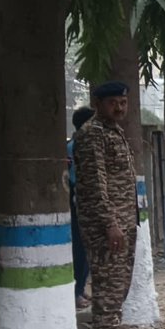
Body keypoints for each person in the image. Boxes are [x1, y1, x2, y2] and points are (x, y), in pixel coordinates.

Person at [74, 82, 142, 329]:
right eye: (113, 102)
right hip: (106, 226)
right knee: (107, 286)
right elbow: (95, 185)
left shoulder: (112, 130)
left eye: (123, 103)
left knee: (119, 285)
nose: (119, 108)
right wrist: (111, 224)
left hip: (123, 221)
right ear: (97, 103)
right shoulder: (92, 135)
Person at [67, 106, 96, 305]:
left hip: (83, 199)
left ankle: (81, 288)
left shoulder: (76, 142)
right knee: (80, 248)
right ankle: (76, 291)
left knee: (86, 249)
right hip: (80, 199)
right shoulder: (78, 144)